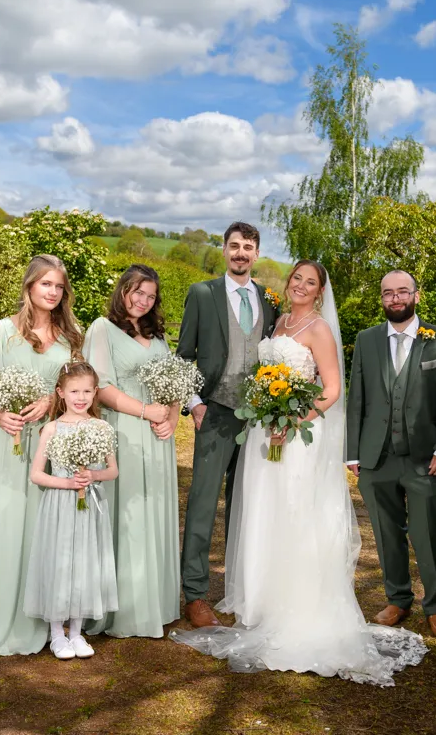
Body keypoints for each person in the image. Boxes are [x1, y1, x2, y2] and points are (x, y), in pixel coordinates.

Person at [171, 261, 427, 686]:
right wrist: (266, 411)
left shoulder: (319, 329)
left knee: (296, 514)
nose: (302, 286)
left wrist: (293, 419)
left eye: (311, 282)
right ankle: (265, 601)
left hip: (296, 436)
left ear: (320, 291)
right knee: (264, 512)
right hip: (261, 433)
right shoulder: (279, 320)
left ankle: (299, 605)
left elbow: (332, 389)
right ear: (288, 283)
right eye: (297, 278)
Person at [0, 254, 85, 658]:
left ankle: (49, 622)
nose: (52, 292)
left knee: (46, 532)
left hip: (51, 447)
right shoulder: (0, 332)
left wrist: (51, 399)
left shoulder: (70, 337)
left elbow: (80, 389)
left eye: (59, 286)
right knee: (7, 525)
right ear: (29, 286)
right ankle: (0, 620)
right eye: (45, 284)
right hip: (6, 444)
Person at [345, 270, 436, 637]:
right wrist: (352, 451)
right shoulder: (366, 340)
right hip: (375, 456)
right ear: (381, 298)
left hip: (425, 459)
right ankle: (398, 599)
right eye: (388, 293)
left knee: (427, 531)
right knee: (385, 531)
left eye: (402, 292)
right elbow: (357, 399)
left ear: (417, 295)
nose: (395, 299)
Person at [175, 222, 278, 628]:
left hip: (257, 416)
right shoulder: (203, 293)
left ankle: (240, 588)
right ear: (223, 251)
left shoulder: (268, 299)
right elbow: (184, 353)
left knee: (247, 503)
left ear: (256, 254)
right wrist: (194, 403)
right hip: (214, 411)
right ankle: (195, 595)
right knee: (203, 502)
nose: (240, 253)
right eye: (234, 246)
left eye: (247, 247)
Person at [81, 265, 181, 638]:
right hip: (123, 431)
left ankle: (155, 600)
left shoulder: (157, 336)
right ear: (123, 290)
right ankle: (125, 606)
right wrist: (144, 410)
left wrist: (170, 417)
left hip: (158, 436)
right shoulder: (101, 329)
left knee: (153, 510)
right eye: (137, 292)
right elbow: (99, 387)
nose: (143, 300)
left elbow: (173, 383)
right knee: (128, 512)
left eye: (150, 296)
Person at [24, 361, 119, 659]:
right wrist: (67, 483)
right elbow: (36, 475)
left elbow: (112, 470)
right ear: (61, 393)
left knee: (84, 563)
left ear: (95, 393)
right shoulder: (51, 429)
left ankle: (77, 634)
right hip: (60, 505)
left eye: (87, 391)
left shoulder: (101, 428)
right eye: (74, 391)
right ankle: (56, 635)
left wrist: (92, 476)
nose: (81, 397)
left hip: (89, 504)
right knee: (61, 562)